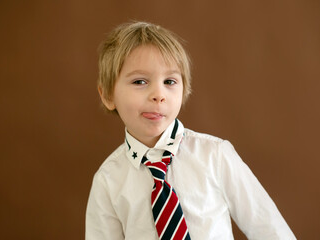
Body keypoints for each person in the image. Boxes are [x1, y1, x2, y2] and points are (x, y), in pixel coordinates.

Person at [86, 21, 296, 240]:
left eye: (170, 81)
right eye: (140, 81)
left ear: (184, 88)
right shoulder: (108, 180)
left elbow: (269, 228)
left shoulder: (215, 155)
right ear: (108, 95)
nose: (159, 94)